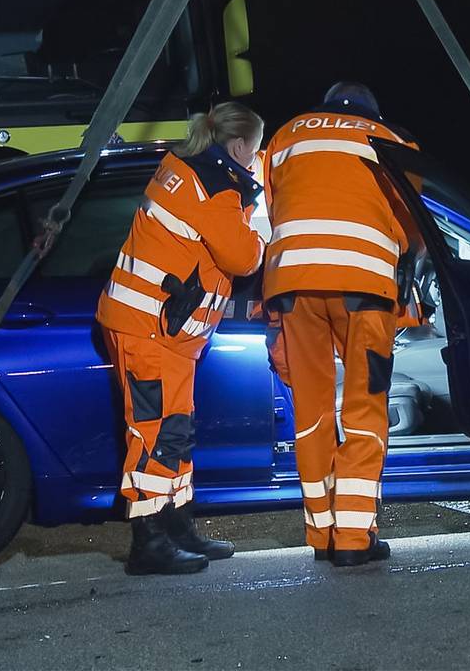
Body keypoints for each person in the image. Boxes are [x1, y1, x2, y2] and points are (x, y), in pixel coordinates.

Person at [97, 102, 265, 575]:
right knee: (153, 434)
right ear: (238, 146)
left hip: (158, 331)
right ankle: (148, 543)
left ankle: (177, 528)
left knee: (175, 430)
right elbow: (243, 257)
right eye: (253, 151)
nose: (254, 160)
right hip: (148, 329)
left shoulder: (182, 165)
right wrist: (258, 227)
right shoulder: (216, 188)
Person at [262, 82, 424, 567]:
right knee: (364, 408)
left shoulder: (287, 135)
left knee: (311, 411)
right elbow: (411, 221)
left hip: (292, 285)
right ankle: (354, 538)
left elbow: (272, 205)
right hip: (364, 288)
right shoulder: (391, 140)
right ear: (372, 111)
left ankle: (321, 534)